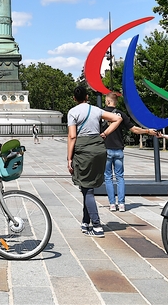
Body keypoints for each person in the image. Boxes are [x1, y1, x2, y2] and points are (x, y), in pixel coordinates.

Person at [67, 86, 122, 238]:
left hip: (83, 149)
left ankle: (96, 225)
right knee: (88, 187)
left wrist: (69, 158)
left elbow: (72, 137)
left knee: (87, 189)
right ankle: (85, 222)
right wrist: (104, 133)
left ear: (74, 98)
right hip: (98, 148)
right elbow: (118, 118)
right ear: (87, 97)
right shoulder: (96, 110)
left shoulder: (73, 112)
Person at [102, 92, 155, 212]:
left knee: (108, 177)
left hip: (106, 149)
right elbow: (134, 129)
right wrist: (147, 131)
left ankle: (111, 204)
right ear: (115, 102)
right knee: (120, 177)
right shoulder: (121, 114)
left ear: (108, 101)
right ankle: (121, 204)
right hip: (119, 149)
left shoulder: (101, 114)